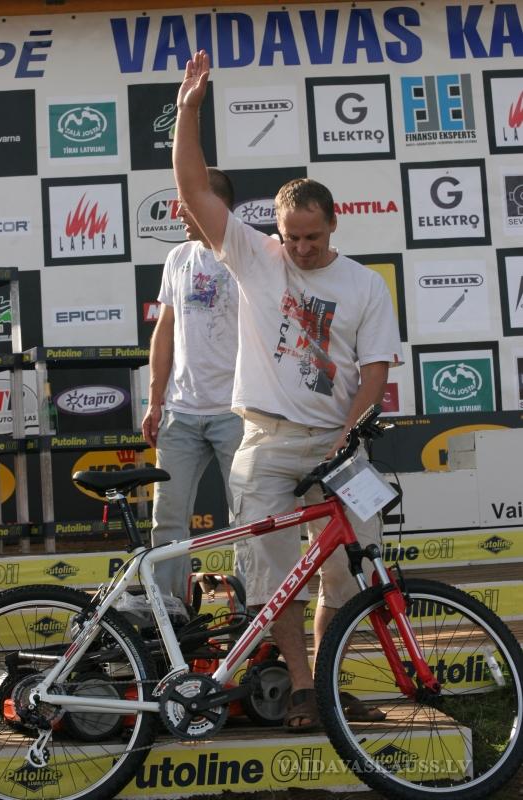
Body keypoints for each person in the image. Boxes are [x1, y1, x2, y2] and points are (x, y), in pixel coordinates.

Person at [173, 51, 403, 731]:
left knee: (352, 573)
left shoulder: (364, 284)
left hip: (340, 445)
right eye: (290, 236)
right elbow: (193, 189)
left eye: (313, 236)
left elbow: (374, 371)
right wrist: (187, 112)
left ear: (334, 224)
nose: (301, 248)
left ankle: (327, 681)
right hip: (266, 439)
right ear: (275, 229)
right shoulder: (254, 256)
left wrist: (348, 435)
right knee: (272, 579)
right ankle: (303, 689)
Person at [142, 167, 243, 600]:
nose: (179, 213)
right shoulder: (178, 257)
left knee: (249, 521)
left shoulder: (249, 253)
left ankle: (250, 616)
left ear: (211, 203)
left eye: (186, 204)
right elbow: (164, 331)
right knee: (166, 521)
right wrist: (155, 400)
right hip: (181, 414)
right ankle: (170, 613)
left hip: (238, 412)